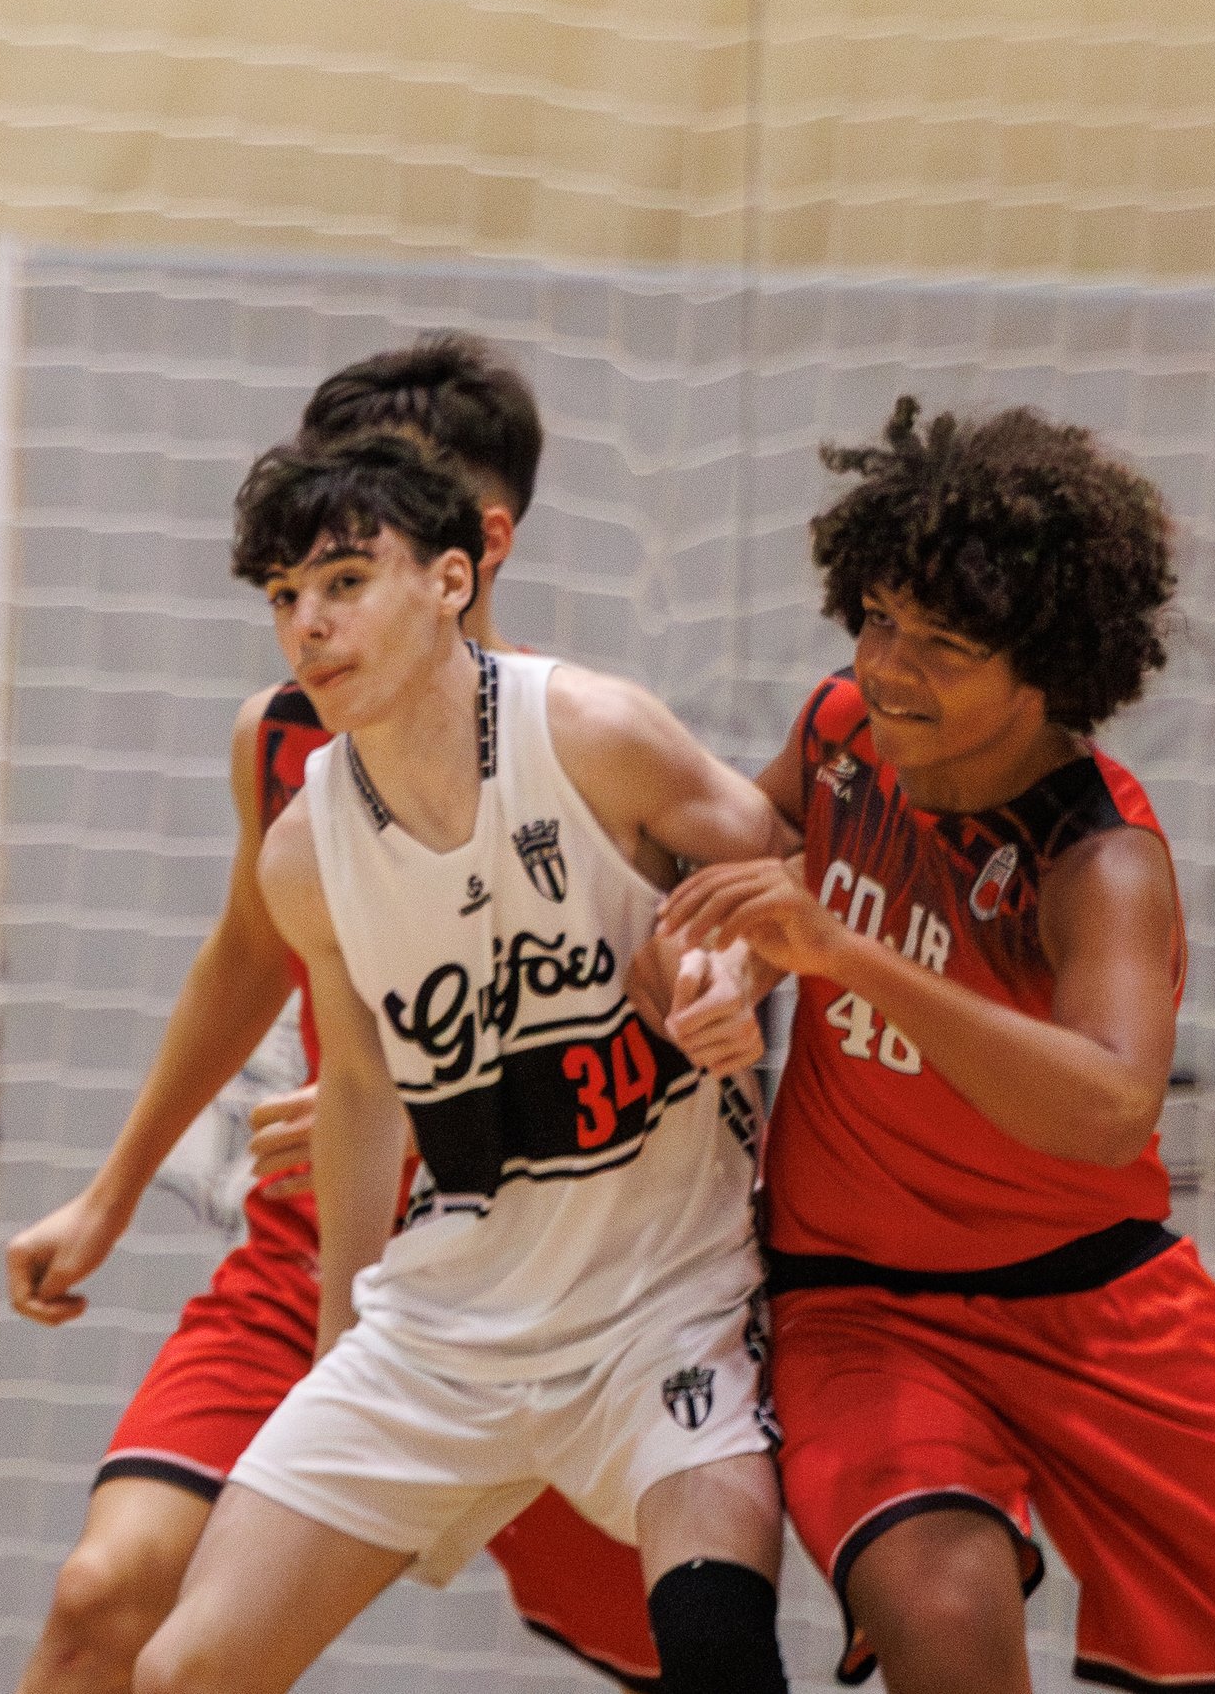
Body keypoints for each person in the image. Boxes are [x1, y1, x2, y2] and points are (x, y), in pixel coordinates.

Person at [7, 335, 673, 1691]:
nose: (329, 563)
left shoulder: (583, 738)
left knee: (687, 1642)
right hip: (329, 1258)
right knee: (106, 1597)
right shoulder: (282, 739)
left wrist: (445, 1102)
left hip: (559, 1263)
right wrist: (113, 1190)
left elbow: (714, 987)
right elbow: (244, 958)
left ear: (470, 547)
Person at [657, 398, 1215, 1694]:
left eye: (944, 643)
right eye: (875, 618)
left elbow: (1109, 1106)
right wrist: (715, 969)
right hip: (859, 1304)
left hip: (1099, 1306)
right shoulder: (840, 734)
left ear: (1050, 669)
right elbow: (737, 884)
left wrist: (846, 955)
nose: (890, 666)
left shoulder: (1102, 861)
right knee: (945, 1610)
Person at [130, 431, 791, 1694]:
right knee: (183, 1670)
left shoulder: (591, 729)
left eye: (342, 581)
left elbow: (793, 869)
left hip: (666, 1311)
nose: (309, 624)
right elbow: (368, 1085)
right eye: (283, 598)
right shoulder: (302, 853)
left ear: (448, 577)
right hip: (446, 1325)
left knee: (717, 1658)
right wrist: (337, 1333)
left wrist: (736, 972)